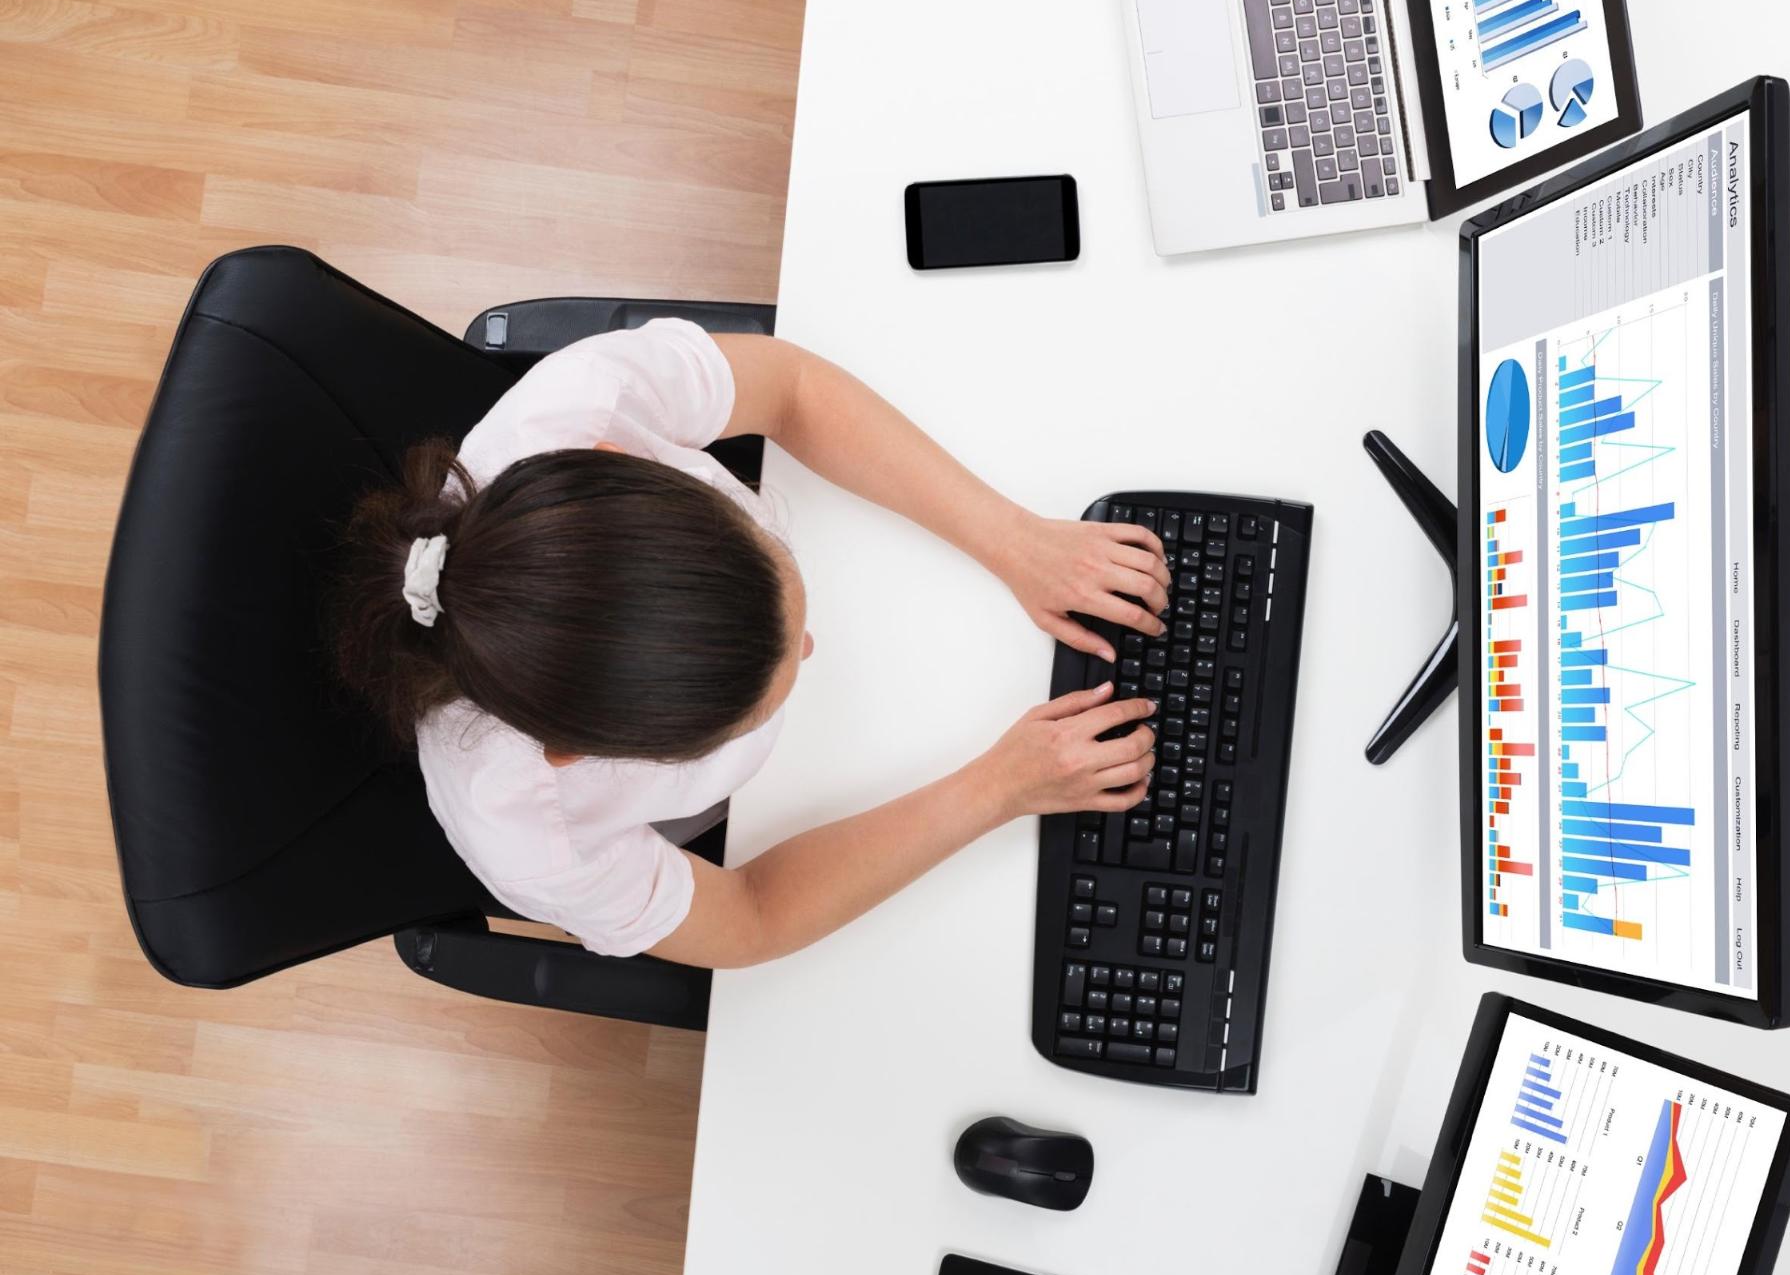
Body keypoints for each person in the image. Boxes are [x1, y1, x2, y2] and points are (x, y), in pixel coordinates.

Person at [332, 319, 1169, 968]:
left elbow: (795, 387)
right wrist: (997, 788)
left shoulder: (585, 405)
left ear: (622, 457)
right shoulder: (532, 836)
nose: (808, 647)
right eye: (766, 687)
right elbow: (754, 916)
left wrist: (1015, 539)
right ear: (572, 754)